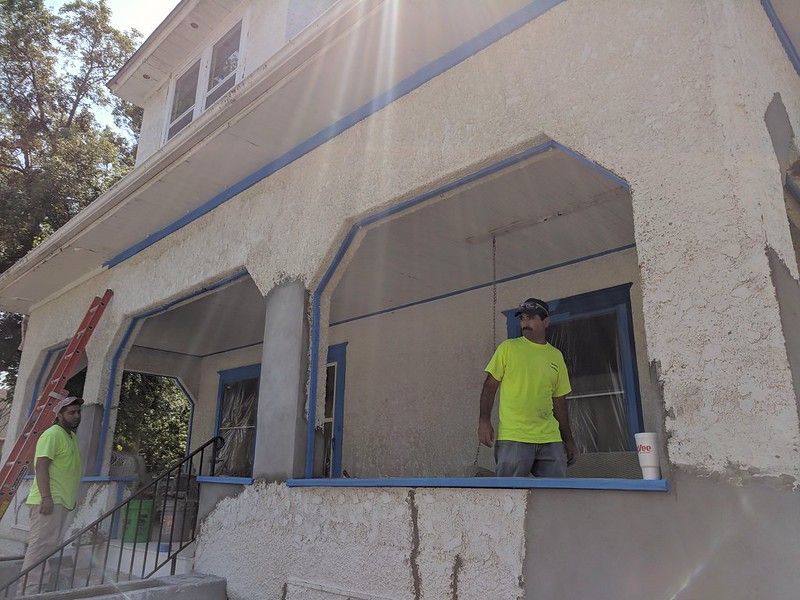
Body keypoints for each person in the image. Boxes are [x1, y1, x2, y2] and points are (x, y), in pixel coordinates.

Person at [478, 297, 577, 477]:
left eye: (531, 318)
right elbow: (489, 386)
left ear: (546, 322)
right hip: (514, 436)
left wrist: (568, 439)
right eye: (522, 318)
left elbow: (559, 401)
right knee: (510, 492)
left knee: (556, 491)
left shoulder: (556, 356)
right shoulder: (508, 348)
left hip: (550, 438)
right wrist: (484, 421)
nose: (525, 323)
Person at [19, 394, 83, 595]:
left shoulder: (70, 436)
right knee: (39, 549)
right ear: (59, 415)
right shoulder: (52, 434)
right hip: (48, 501)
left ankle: (38, 591)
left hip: (61, 502)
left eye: (78, 412)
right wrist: (47, 498)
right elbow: (41, 467)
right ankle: (28, 594)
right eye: (71, 412)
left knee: (47, 549)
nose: (76, 416)